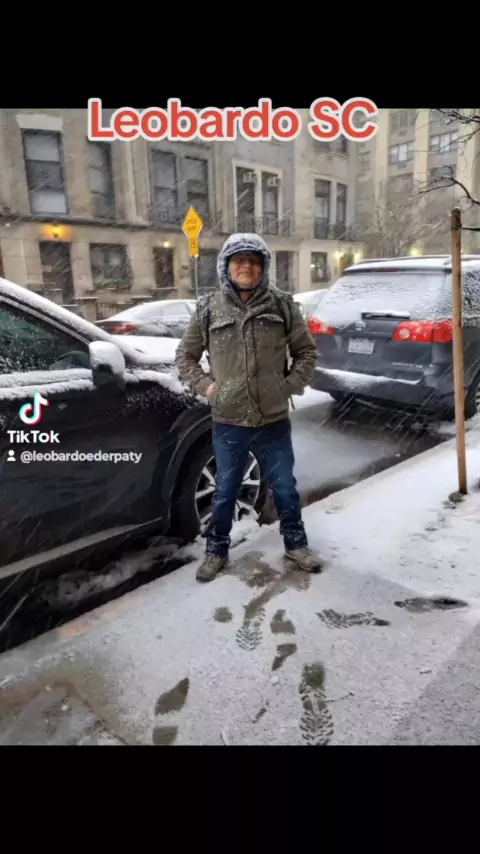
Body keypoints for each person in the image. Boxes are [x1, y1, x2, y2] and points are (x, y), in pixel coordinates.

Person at [175, 233, 324, 582]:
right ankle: (216, 550)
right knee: (226, 489)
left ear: (263, 268)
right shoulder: (209, 308)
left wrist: (287, 387)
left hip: (273, 419)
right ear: (226, 267)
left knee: (284, 486)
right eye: (239, 260)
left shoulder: (282, 306)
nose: (246, 266)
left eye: (254, 261)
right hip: (228, 419)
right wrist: (208, 388)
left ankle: (296, 544)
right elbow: (185, 357)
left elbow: (307, 353)